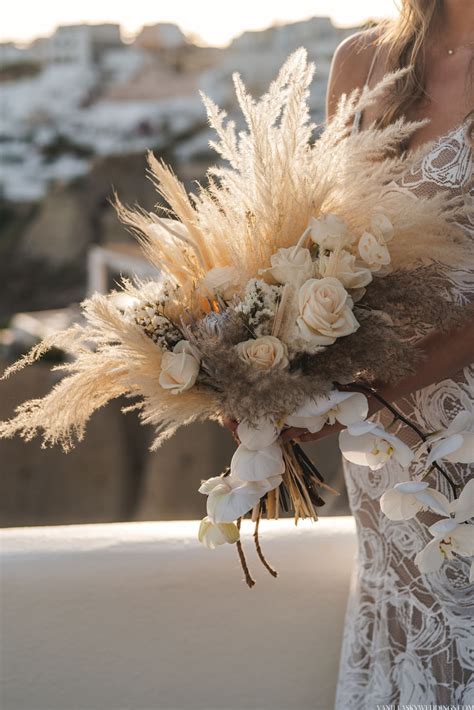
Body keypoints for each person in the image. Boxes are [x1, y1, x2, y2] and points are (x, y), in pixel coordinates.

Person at [284, 1, 473, 706]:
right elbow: (326, 241)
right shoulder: (364, 61)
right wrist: (268, 376)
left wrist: (367, 393)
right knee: (413, 628)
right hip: (383, 445)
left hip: (419, 400)